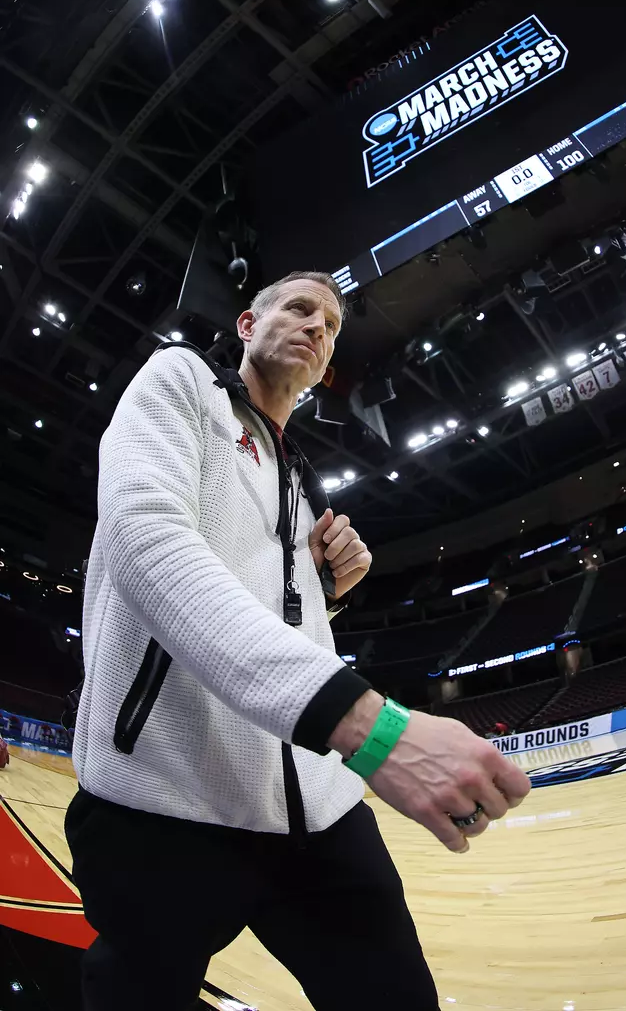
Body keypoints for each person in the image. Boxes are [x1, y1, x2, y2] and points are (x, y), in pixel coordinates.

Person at [65, 271, 531, 1011]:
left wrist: (320, 591)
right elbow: (145, 542)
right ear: (248, 324)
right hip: (165, 805)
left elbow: (266, 621)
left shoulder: (299, 483)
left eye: (333, 325)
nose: (319, 326)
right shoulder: (181, 380)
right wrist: (372, 730)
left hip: (319, 810)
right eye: (300, 308)